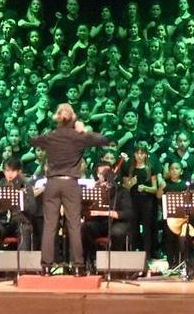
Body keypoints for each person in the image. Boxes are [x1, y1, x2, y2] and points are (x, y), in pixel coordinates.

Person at [31, 103, 111, 276]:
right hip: (71, 183)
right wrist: (83, 131)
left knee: (50, 225)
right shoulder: (78, 136)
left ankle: (46, 266)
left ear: (57, 117)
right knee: (74, 225)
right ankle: (77, 266)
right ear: (73, 117)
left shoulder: (50, 136)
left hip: (52, 183)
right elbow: (104, 140)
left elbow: (32, 140)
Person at [82, 158, 133, 274]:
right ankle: (90, 262)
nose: (103, 177)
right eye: (101, 174)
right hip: (99, 223)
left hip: (117, 223)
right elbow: (84, 210)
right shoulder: (93, 189)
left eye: (106, 174)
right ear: (97, 175)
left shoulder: (121, 191)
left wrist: (106, 213)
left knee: (117, 233)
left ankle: (114, 267)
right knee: (85, 228)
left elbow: (128, 213)